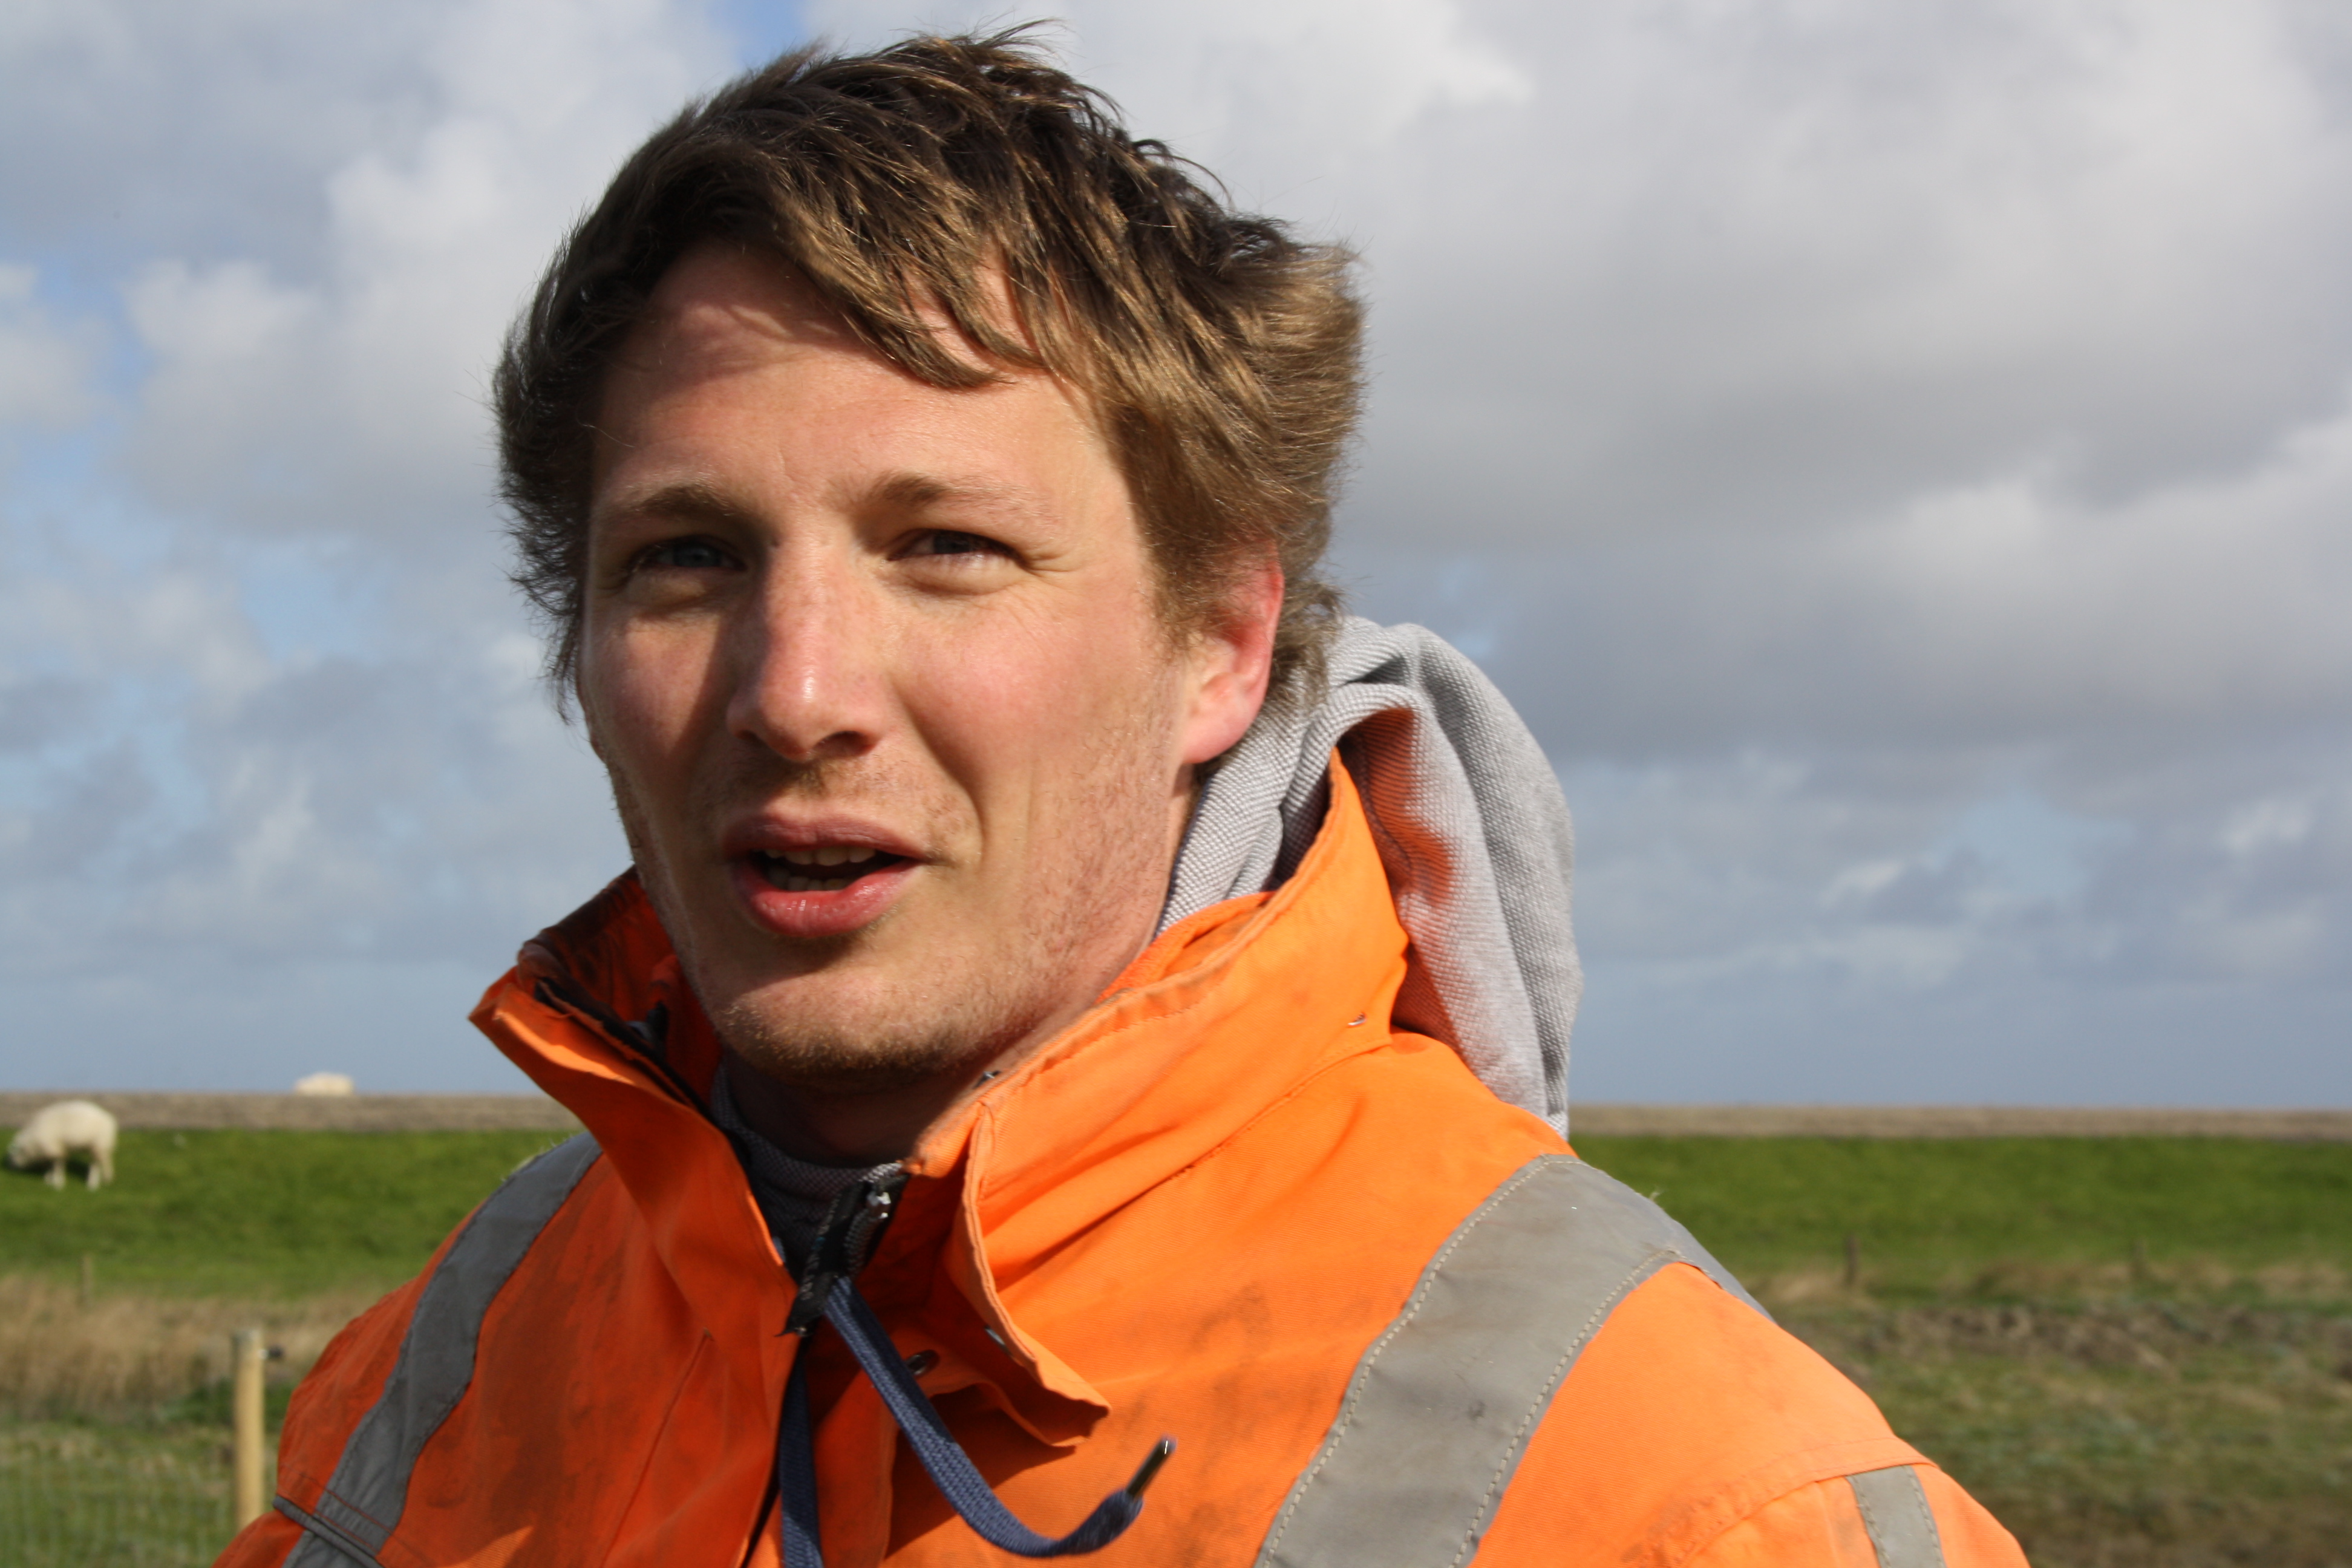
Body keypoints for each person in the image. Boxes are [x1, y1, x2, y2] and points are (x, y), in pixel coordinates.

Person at [221, 30, 2025, 1568]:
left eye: (948, 548)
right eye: (687, 558)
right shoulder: (456, 1348)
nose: (796, 694)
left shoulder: (1691, 1491)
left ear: (1223, 648)